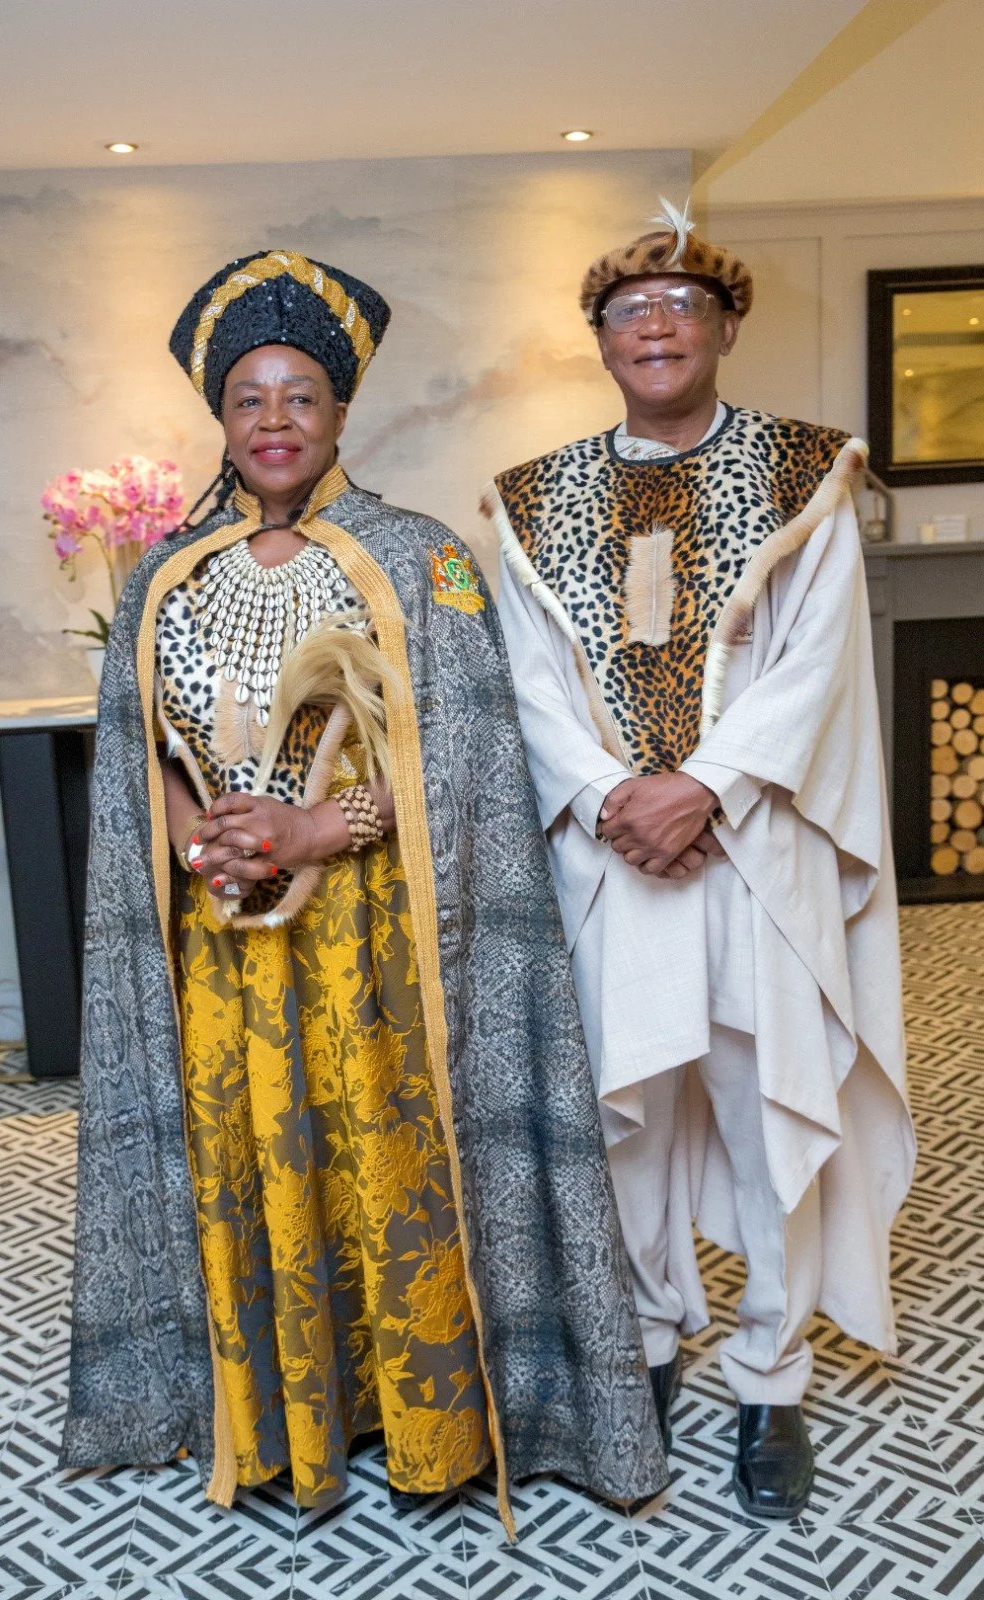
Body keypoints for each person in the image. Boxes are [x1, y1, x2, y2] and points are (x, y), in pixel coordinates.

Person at [60, 248, 667, 1531]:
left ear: (341, 410)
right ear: (220, 416)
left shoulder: (419, 558)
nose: (274, 420)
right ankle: (285, 1415)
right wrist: (206, 845)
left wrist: (316, 826)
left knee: (385, 1159)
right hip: (225, 942)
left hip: (379, 938)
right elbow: (138, 756)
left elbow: (468, 764)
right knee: (248, 1159)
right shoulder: (166, 574)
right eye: (249, 398)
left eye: (301, 396)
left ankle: (422, 1420)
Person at [485, 201, 915, 1520]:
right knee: (627, 1115)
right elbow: (529, 681)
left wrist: (703, 790)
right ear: (600, 342)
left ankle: (771, 1378)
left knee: (763, 1109)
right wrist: (613, 795)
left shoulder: (805, 473)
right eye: (629, 311)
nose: (656, 326)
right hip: (613, 855)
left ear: (726, 327)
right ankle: (653, 1339)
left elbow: (817, 666)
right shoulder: (532, 497)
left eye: (683, 305)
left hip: (752, 852)